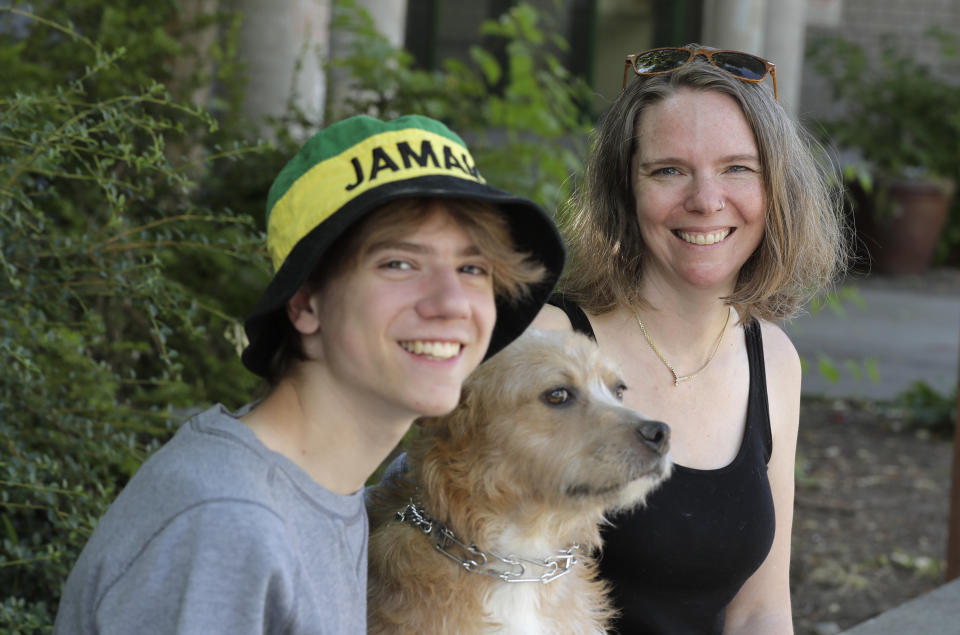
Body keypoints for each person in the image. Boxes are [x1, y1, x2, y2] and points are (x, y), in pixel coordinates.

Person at [54, 114, 565, 634]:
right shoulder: (225, 522)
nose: (452, 303)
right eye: (399, 264)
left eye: (473, 268)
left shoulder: (327, 494)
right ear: (305, 305)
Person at [532, 45, 847, 634]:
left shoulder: (773, 360)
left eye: (737, 168)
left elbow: (761, 610)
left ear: (775, 190)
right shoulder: (550, 346)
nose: (705, 200)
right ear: (624, 190)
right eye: (669, 170)